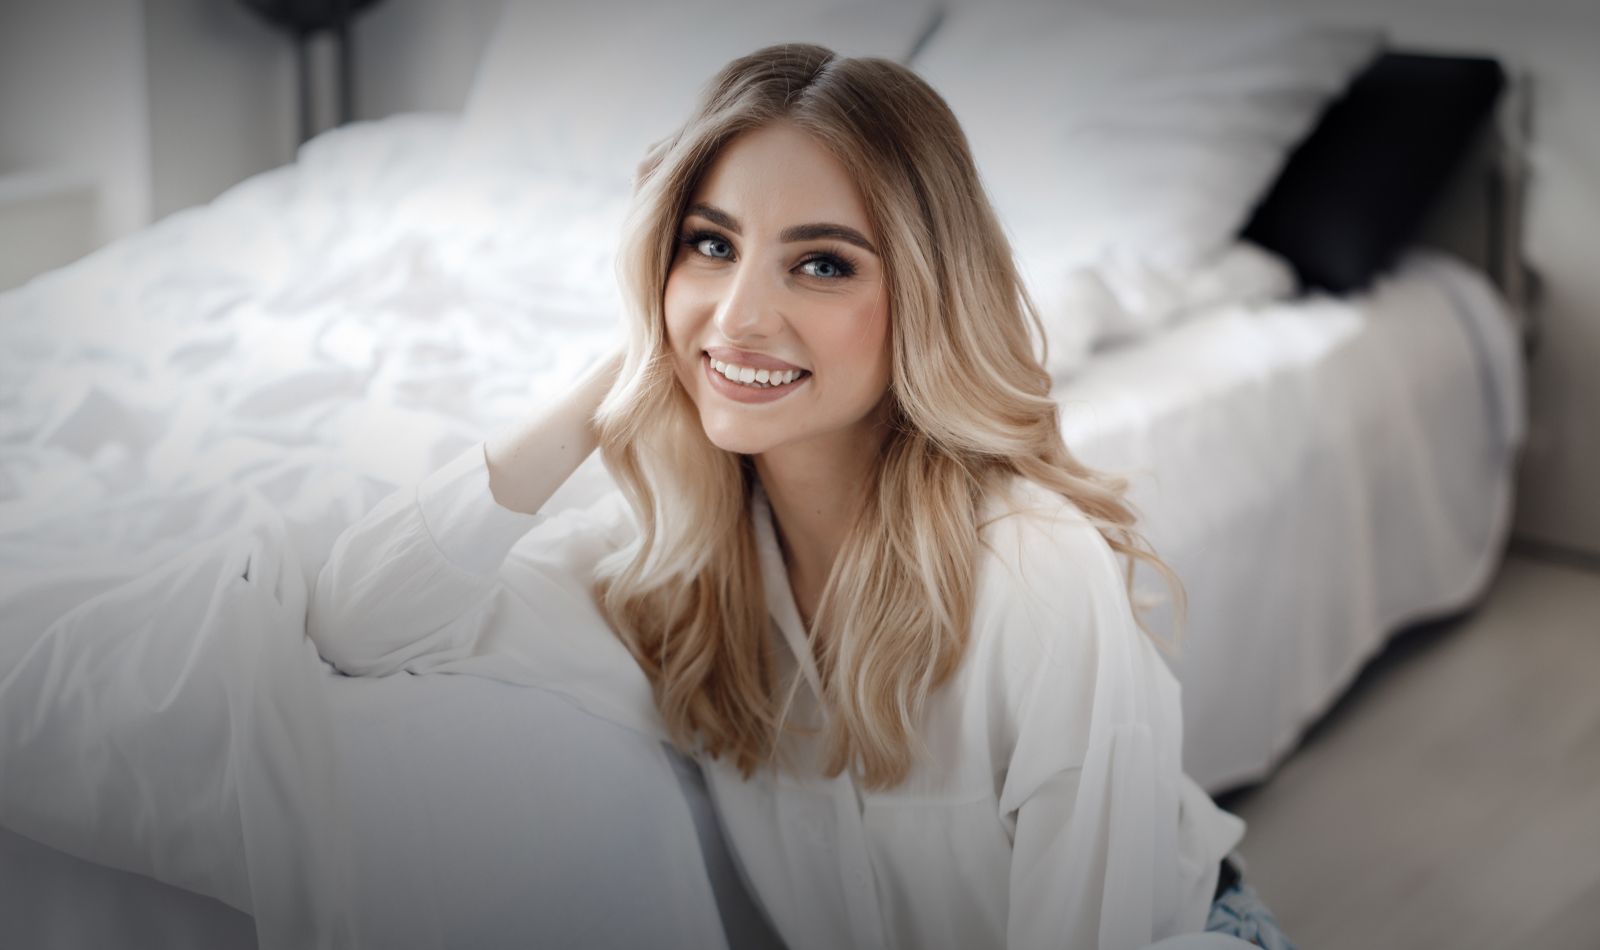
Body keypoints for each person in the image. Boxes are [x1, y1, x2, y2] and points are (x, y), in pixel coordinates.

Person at [308, 43, 1295, 950]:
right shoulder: (673, 558)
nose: (741, 317)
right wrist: (627, 370)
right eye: (709, 245)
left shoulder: (1035, 572)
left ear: (923, 295)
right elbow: (361, 620)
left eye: (821, 264)